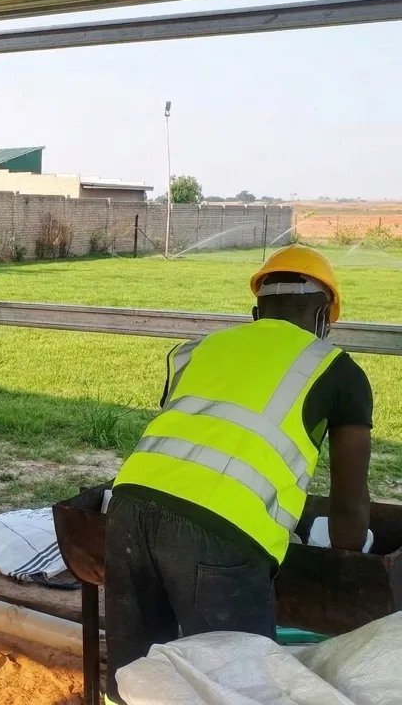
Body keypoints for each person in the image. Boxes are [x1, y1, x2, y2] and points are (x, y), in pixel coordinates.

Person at [103, 244, 372, 704]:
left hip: (129, 508)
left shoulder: (195, 351)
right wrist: (348, 554)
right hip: (222, 537)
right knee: (237, 686)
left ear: (256, 311)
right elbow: (349, 503)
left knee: (136, 672)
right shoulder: (338, 369)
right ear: (324, 313)